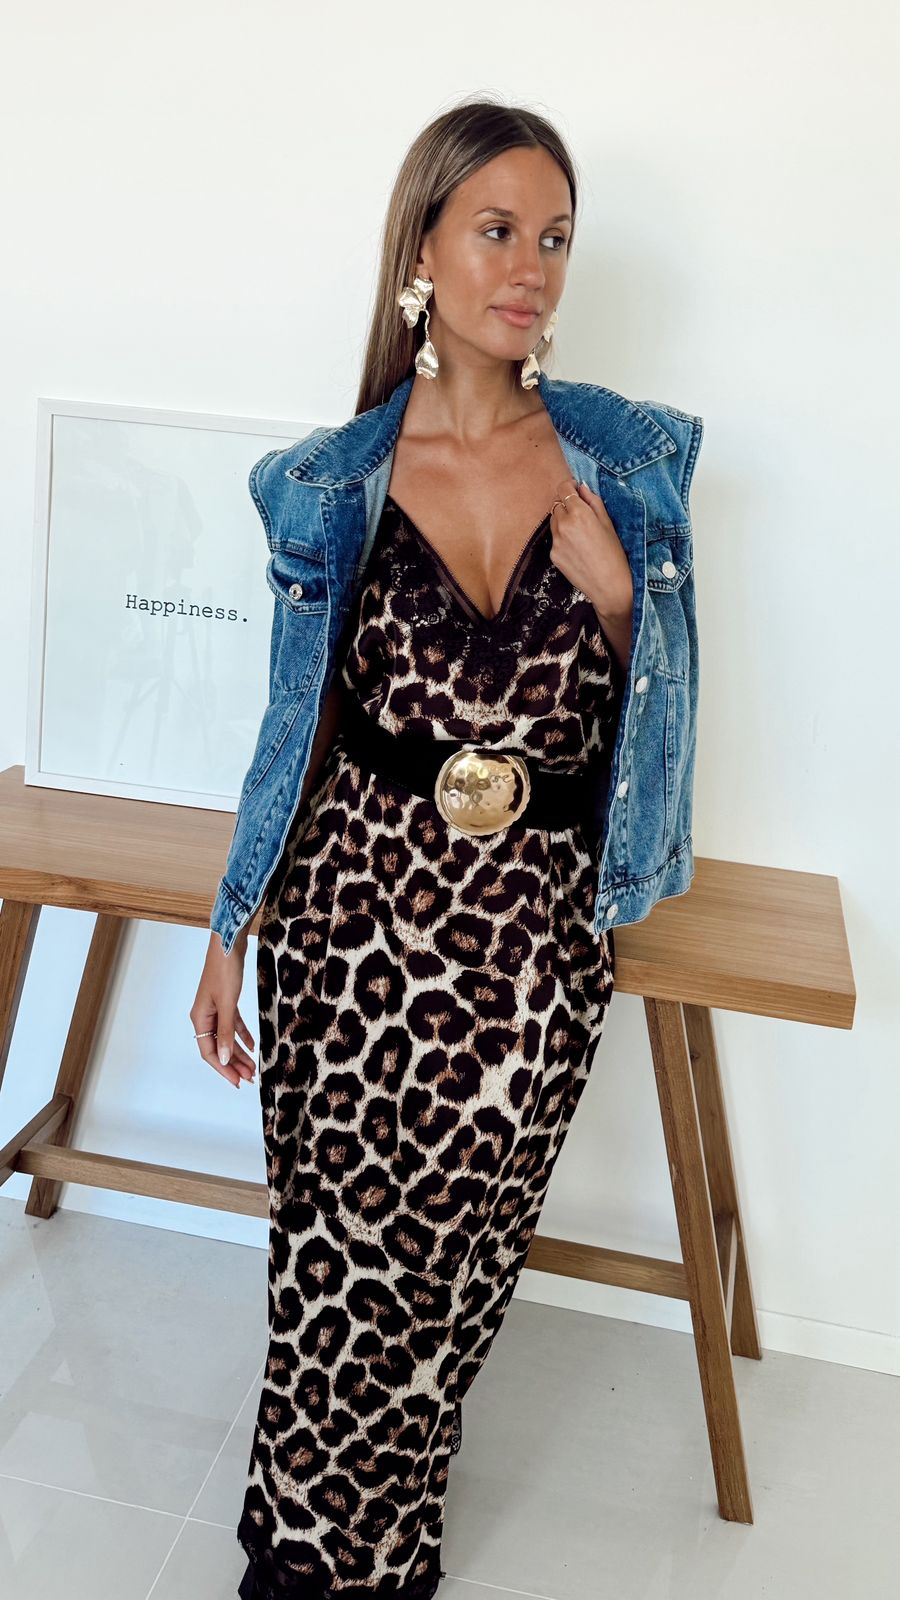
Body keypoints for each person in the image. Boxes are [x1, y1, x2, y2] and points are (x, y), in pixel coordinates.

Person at [190, 95, 703, 1600]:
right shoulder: (328, 482)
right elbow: (299, 726)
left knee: (455, 1274)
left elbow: (660, 720)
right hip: (352, 918)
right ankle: (308, 1566)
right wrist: (232, 926)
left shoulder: (629, 468)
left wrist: (622, 602)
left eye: (555, 238)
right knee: (339, 1262)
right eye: (496, 230)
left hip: (535, 938)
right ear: (420, 249)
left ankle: (385, 1529)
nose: (530, 267)